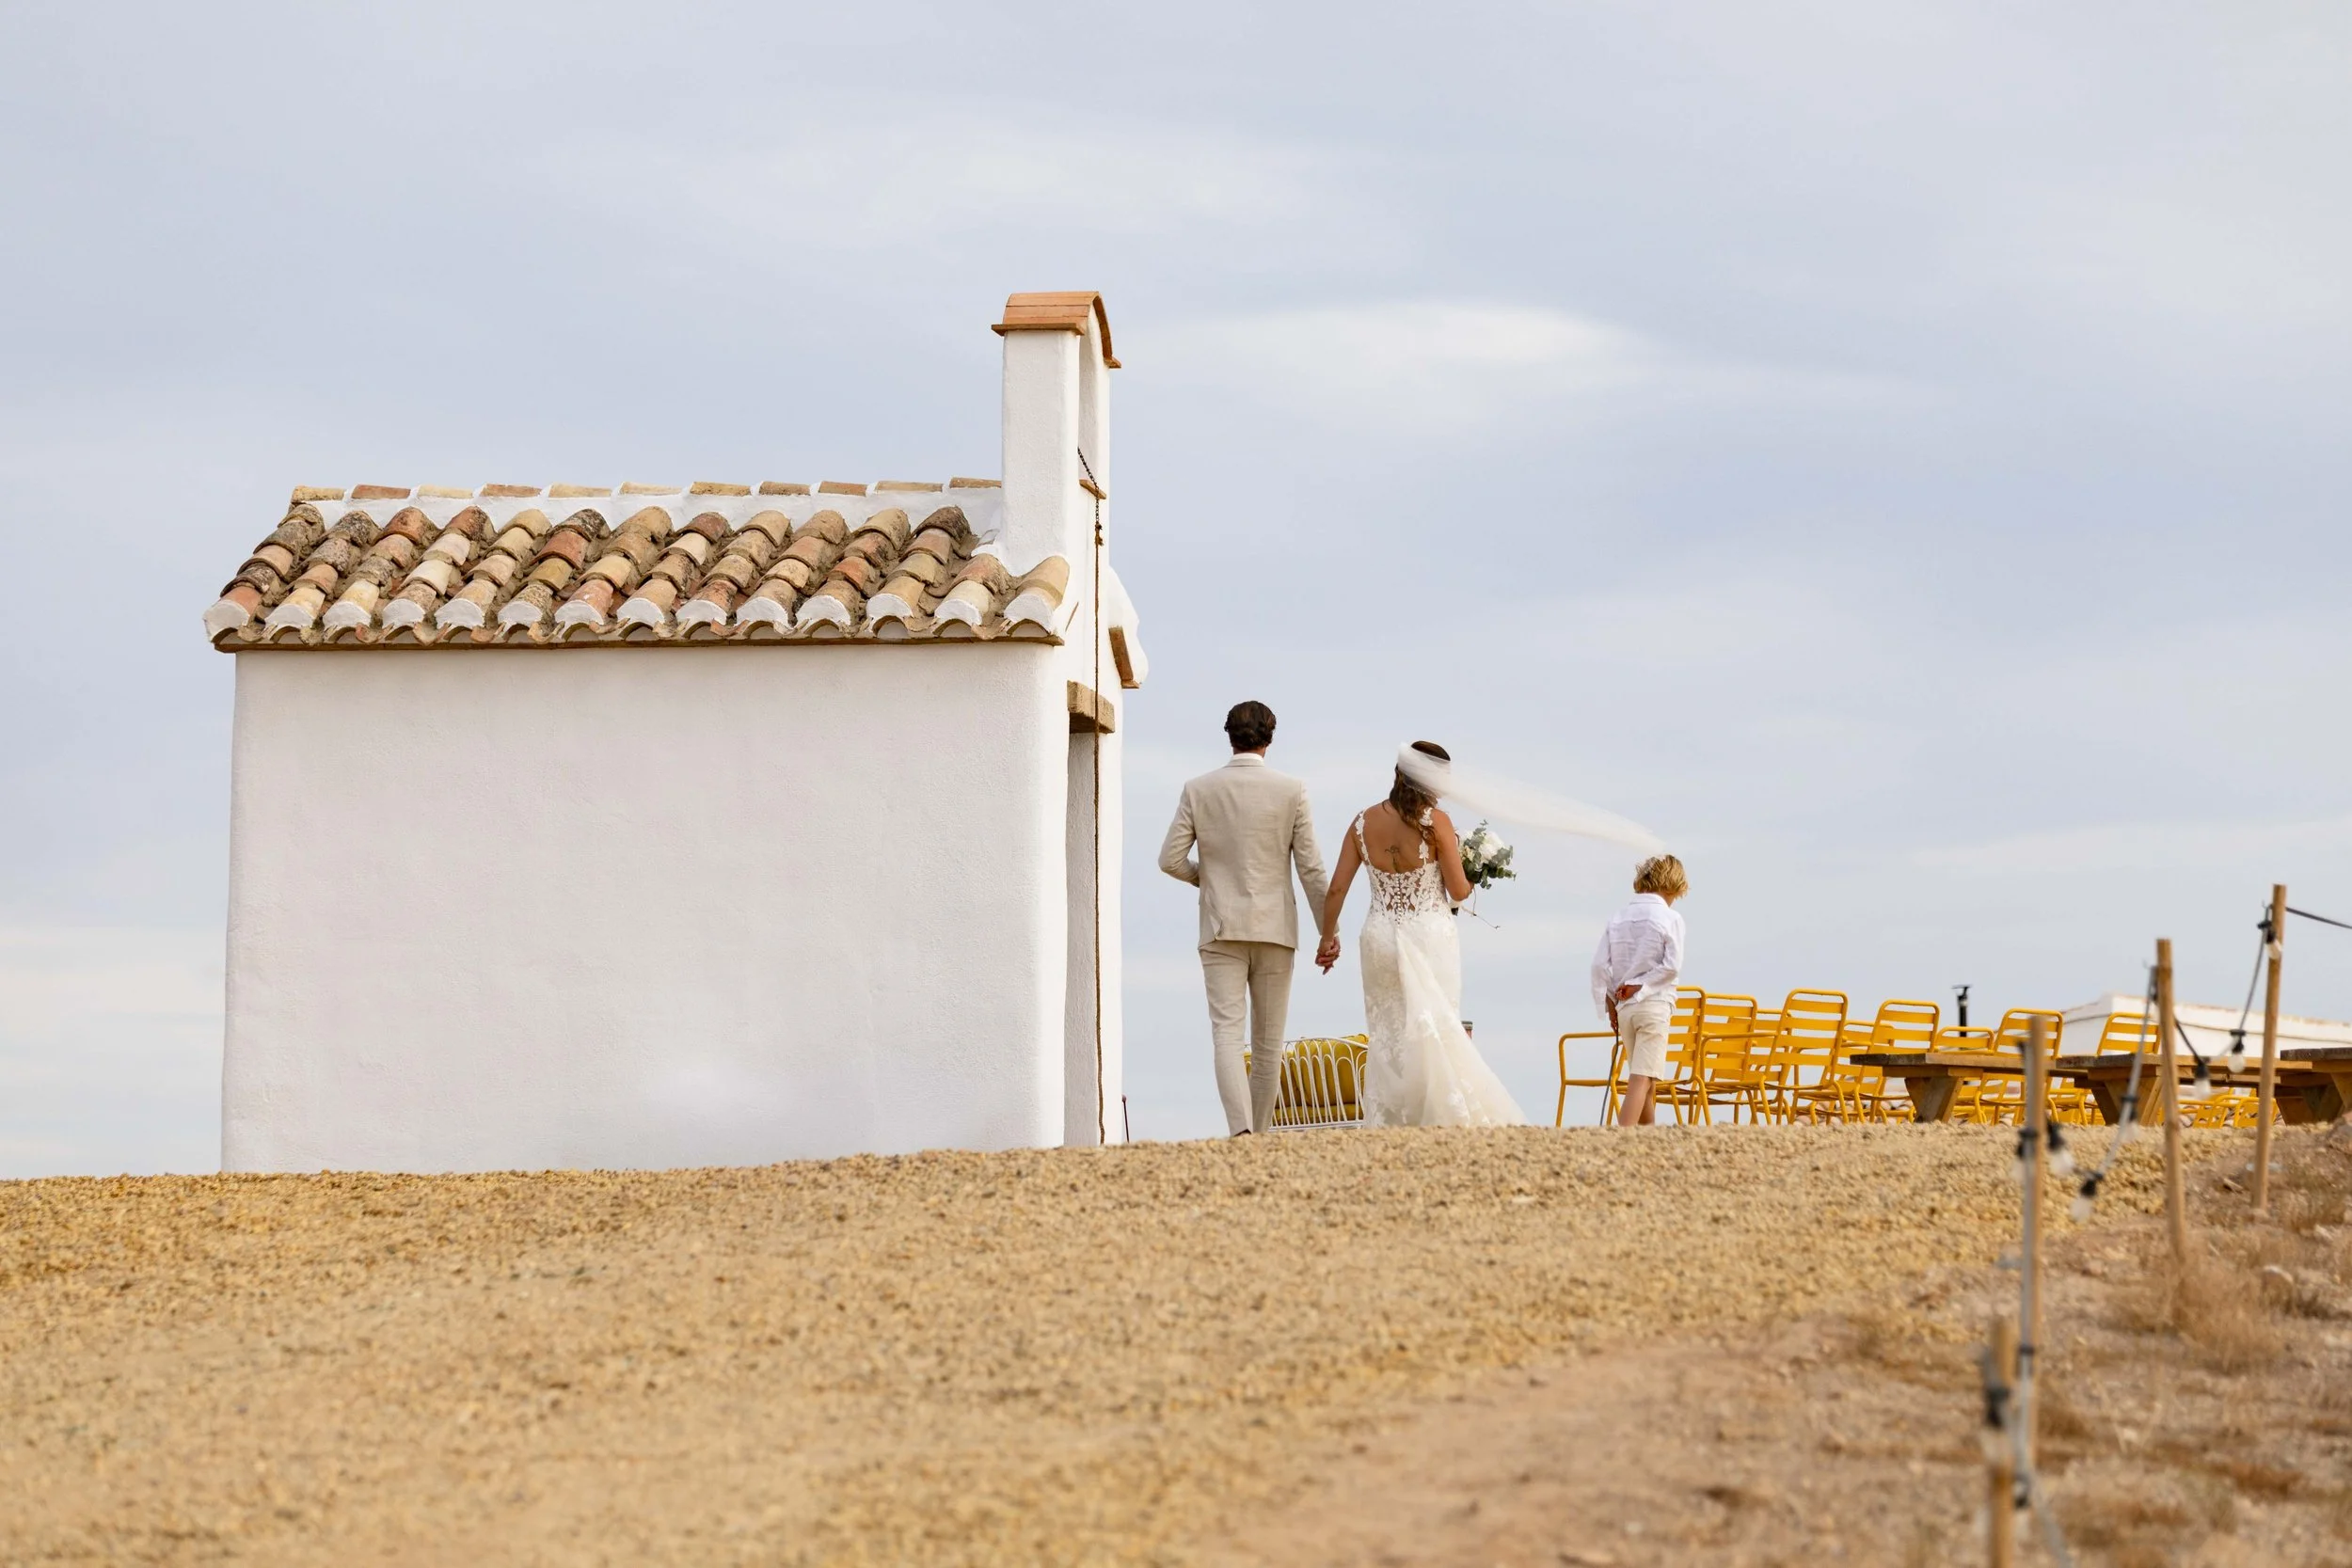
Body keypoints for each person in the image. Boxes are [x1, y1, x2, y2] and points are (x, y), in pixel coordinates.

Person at [1314, 742, 1525, 1128]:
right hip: (1429, 934)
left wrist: (1328, 939)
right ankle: (1439, 1117)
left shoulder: (1361, 822)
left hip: (1379, 937)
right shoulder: (1436, 822)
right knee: (1437, 1022)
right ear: (1428, 779)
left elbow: (1336, 890)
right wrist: (1471, 872)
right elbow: (1459, 891)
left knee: (1388, 1031)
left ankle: (1394, 1120)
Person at [1158, 701, 1330, 1136]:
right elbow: (1311, 869)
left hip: (1219, 928)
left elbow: (1170, 860)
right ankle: (1261, 1137)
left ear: (1229, 736)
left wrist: (1208, 880)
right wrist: (1329, 931)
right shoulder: (1293, 790)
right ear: (1270, 738)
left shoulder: (1198, 789)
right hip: (1276, 929)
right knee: (1268, 1044)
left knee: (1227, 1036)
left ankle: (1241, 1134)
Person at [1591, 855, 1690, 1128]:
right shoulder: (1670, 917)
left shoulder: (1618, 917)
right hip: (1654, 1005)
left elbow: (1599, 965)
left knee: (1645, 1076)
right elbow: (1672, 967)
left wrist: (1609, 1001)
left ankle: (1649, 1136)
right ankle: (1623, 1136)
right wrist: (1641, 986)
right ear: (1673, 886)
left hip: (1625, 1011)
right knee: (1642, 1078)